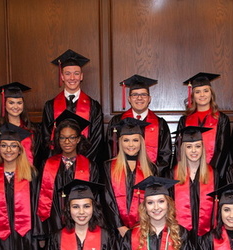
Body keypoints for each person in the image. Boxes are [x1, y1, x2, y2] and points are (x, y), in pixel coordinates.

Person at [36, 111, 98, 239]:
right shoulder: (47, 164)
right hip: (53, 222)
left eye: (72, 137)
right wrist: (41, 231)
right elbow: (39, 197)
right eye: (63, 137)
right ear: (58, 140)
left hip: (81, 222)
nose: (67, 141)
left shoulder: (90, 166)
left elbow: (94, 199)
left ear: (78, 139)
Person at [41, 49, 105, 164]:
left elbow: (97, 139)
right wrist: (60, 162)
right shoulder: (50, 106)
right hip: (58, 165)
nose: (72, 78)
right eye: (67, 73)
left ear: (81, 76)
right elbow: (46, 137)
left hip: (86, 164)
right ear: (62, 77)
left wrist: (84, 162)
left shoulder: (94, 106)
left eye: (76, 73)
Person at [107, 74, 173, 174]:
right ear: (129, 99)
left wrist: (153, 176)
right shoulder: (117, 121)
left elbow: (165, 155)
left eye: (143, 94)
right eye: (135, 94)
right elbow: (110, 149)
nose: (139, 98)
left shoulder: (160, 124)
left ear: (149, 99)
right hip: (122, 175)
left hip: (151, 178)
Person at [103, 117, 155, 236]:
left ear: (141, 142)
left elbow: (152, 200)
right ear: (120, 142)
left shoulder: (151, 168)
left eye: (135, 140)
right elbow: (107, 198)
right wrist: (119, 225)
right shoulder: (108, 166)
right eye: (126, 140)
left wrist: (143, 225)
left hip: (143, 230)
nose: (131, 145)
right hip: (115, 230)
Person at [177, 73, 231, 176]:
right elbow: (179, 149)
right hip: (189, 174)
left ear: (211, 94)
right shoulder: (184, 120)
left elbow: (222, 150)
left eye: (206, 91)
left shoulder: (222, 119)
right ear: (192, 95)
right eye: (197, 92)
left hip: (214, 173)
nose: (202, 95)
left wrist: (211, 173)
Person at [171, 126, 217, 236]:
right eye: (189, 147)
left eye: (197, 146)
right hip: (181, 236)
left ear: (202, 148)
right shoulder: (172, 175)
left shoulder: (214, 173)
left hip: (206, 236)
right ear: (183, 149)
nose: (193, 150)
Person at [0, 82, 42, 170]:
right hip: (4, 177)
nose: (16, 106)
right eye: (11, 103)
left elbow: (38, 158)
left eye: (19, 103)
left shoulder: (34, 129)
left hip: (29, 177)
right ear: (4, 104)